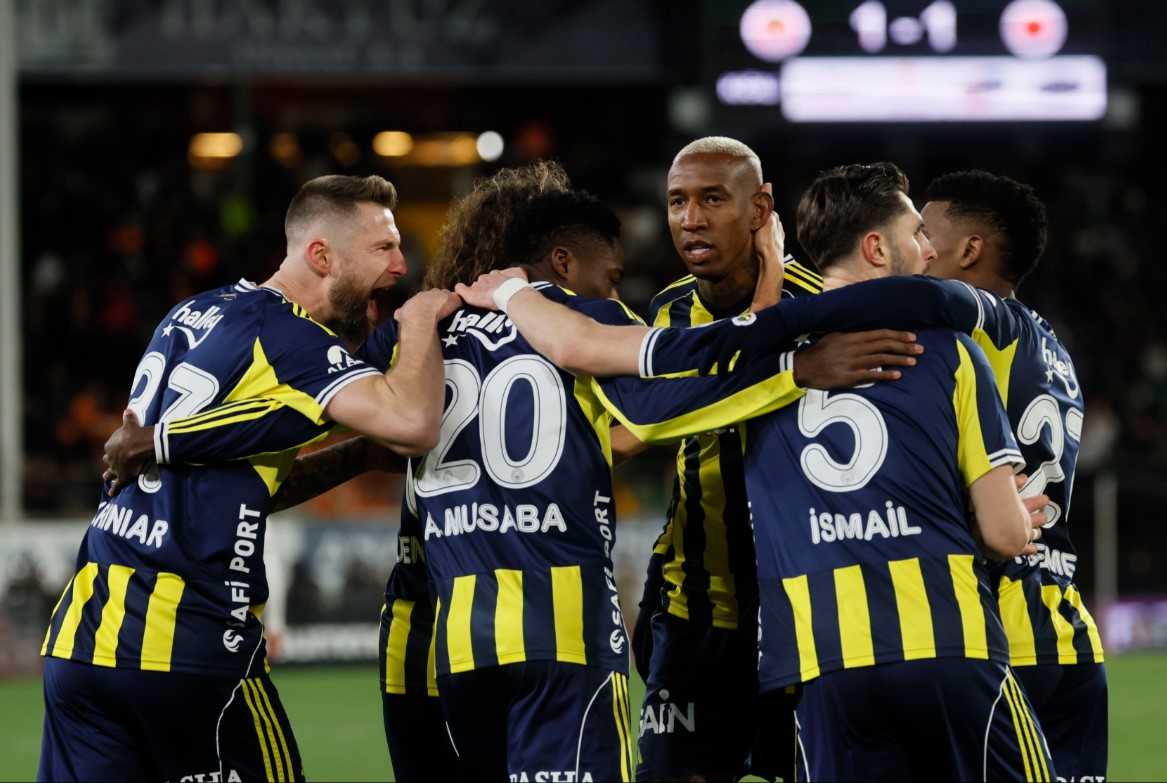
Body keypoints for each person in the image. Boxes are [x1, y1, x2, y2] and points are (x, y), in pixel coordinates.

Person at [456, 162, 1056, 781]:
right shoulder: (688, 314)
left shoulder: (811, 311)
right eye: (677, 201)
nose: (692, 219)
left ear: (760, 210)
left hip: (801, 628)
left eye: (713, 198)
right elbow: (663, 412)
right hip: (713, 607)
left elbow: (701, 380)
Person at [41, 174, 457, 783]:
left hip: (82, 642)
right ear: (321, 256)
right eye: (383, 248)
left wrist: (356, 457)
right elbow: (415, 425)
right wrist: (419, 319)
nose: (400, 265)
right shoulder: (293, 339)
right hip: (189, 647)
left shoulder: (194, 312)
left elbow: (229, 485)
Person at [921, 170, 1105, 780]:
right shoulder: (1053, 347)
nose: (913, 247)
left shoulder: (980, 323)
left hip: (995, 630)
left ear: (969, 250)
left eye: (923, 232)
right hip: (1066, 628)